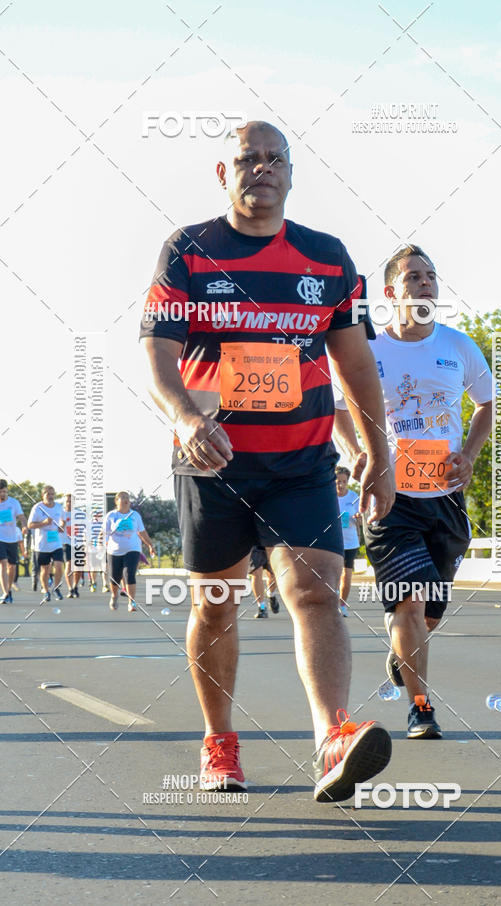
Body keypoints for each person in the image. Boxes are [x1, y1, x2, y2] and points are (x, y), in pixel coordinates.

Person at [140, 119, 395, 802]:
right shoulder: (189, 249)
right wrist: (187, 417)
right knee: (218, 606)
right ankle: (219, 741)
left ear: (290, 172)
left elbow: (355, 360)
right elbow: (158, 356)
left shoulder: (327, 257)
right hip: (213, 462)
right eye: (246, 159)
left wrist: (378, 449)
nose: (261, 169)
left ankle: (332, 740)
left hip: (301, 461)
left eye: (273, 158)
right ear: (224, 174)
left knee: (314, 593)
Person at [334, 245, 493, 739]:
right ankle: (420, 708)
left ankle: (405, 654)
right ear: (390, 293)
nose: (426, 284)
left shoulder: (459, 345)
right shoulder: (371, 351)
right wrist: (356, 450)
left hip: (444, 499)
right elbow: (337, 409)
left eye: (431, 276)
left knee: (428, 613)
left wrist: (469, 453)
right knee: (410, 603)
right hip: (389, 500)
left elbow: (486, 403)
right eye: (414, 278)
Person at [104, 492, 155, 612]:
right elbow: (105, 533)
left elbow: (142, 532)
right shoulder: (111, 516)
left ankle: (131, 602)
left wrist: (150, 545)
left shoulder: (135, 515)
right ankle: (114, 595)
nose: (126, 500)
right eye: (123, 497)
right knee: (115, 578)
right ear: (116, 501)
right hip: (114, 551)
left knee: (129, 574)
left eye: (127, 497)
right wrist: (104, 545)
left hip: (132, 549)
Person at [27, 486, 66, 603]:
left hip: (56, 542)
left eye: (52, 494)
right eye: (48, 494)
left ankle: (56, 588)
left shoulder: (59, 507)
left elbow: (63, 520)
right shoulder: (37, 508)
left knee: (59, 566)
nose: (50, 496)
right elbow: (30, 525)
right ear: (43, 495)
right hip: (42, 544)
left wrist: (61, 526)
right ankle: (45, 590)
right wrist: (43, 523)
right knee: (45, 570)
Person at [334, 467, 361, 617]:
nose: (341, 485)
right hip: (334, 542)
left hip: (350, 542)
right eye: (338, 482)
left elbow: (361, 520)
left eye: (344, 482)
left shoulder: (354, 496)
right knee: (335, 575)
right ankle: (333, 604)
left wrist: (358, 517)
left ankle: (342, 604)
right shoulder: (329, 497)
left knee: (347, 576)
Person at [0, 480, 27, 604]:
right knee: (3, 563)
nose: (3, 494)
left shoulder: (14, 503)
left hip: (12, 539)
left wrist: (24, 525)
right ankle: (5, 592)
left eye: (5, 491)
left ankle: (9, 589)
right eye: (1, 492)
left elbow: (21, 516)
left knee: (12, 567)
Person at [248, 545, 280, 618]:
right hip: (253, 543)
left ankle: (271, 595)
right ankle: (262, 607)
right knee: (256, 573)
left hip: (269, 541)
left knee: (272, 575)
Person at [61, 494, 80, 599]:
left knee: (78, 567)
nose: (69, 503)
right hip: (65, 543)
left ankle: (75, 586)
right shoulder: (61, 513)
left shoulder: (79, 514)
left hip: (78, 543)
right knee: (68, 564)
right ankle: (70, 588)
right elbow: (58, 528)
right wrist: (61, 524)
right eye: (67, 501)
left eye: (71, 501)